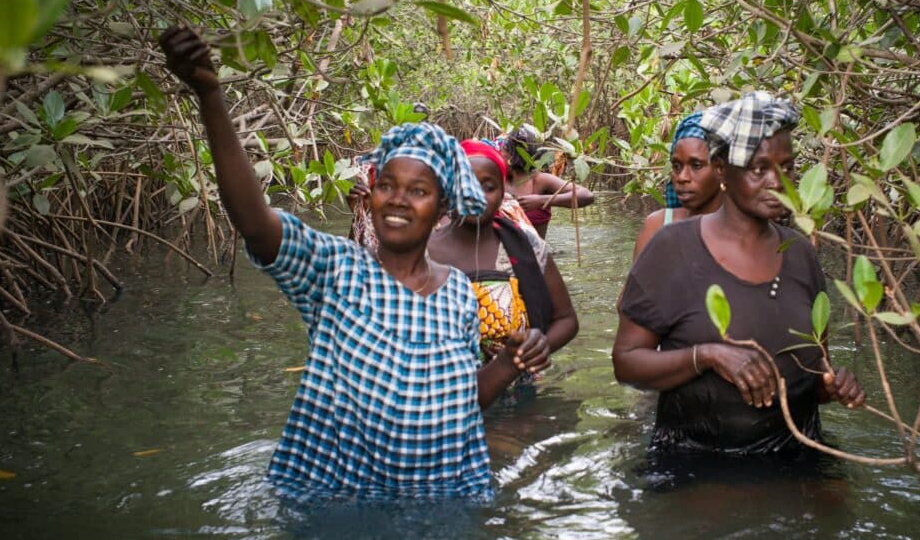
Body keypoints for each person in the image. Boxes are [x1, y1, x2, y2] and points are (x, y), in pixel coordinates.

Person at [159, 26, 549, 501]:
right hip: (338, 502)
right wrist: (210, 94)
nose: (397, 201)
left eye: (418, 190)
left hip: (437, 501)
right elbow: (255, 223)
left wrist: (510, 361)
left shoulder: (455, 297)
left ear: (442, 205)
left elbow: (459, 405)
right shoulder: (336, 270)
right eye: (387, 185)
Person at [612, 92, 865, 457]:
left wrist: (834, 385)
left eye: (788, 167)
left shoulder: (800, 253)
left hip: (798, 454)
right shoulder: (670, 249)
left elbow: (814, 375)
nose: (778, 182)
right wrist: (708, 356)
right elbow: (627, 363)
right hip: (693, 461)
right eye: (758, 169)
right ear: (721, 169)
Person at [427, 139, 579, 363]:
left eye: (488, 187)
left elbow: (566, 320)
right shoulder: (421, 251)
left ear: (504, 193)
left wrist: (534, 348)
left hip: (517, 381)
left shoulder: (526, 245)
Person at [630, 111, 727, 261]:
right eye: (677, 166)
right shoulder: (657, 226)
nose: (682, 177)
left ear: (721, 168)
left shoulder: (744, 231)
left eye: (696, 165)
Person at [498, 125, 594, 238]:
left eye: (502, 150)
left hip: (537, 254)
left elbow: (587, 195)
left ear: (512, 155)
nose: (498, 154)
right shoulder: (497, 180)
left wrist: (542, 200)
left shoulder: (540, 180)